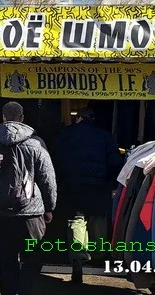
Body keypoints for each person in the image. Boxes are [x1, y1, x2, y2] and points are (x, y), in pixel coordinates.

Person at [0, 101, 57, 295]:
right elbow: (47, 178)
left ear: (3, 117)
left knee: (7, 259)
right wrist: (49, 207)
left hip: (3, 213)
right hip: (32, 212)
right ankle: (26, 290)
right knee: (32, 257)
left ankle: (9, 291)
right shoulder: (36, 143)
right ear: (22, 118)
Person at [56, 107, 123, 283]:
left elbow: (57, 159)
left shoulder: (66, 134)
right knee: (98, 219)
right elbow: (115, 162)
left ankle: (78, 260)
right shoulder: (105, 136)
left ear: (78, 118)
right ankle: (99, 254)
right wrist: (112, 184)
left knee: (76, 220)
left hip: (73, 185)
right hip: (99, 187)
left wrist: (61, 182)